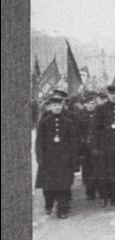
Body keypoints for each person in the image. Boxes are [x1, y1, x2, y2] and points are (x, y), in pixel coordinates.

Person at [35, 90, 78, 218]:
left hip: (64, 159)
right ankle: (49, 204)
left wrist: (73, 160)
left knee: (64, 186)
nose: (57, 107)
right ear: (50, 107)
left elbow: (73, 143)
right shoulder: (44, 122)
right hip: (49, 160)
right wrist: (40, 159)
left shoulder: (68, 122)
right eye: (54, 105)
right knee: (49, 186)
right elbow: (39, 143)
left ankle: (62, 210)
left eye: (59, 105)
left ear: (62, 106)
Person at [77, 91, 99, 200]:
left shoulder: (99, 115)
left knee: (98, 169)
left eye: (94, 103)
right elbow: (77, 132)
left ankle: (100, 191)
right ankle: (90, 192)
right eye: (90, 103)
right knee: (87, 170)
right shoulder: (80, 116)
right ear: (85, 104)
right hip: (85, 148)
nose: (92, 105)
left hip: (97, 147)